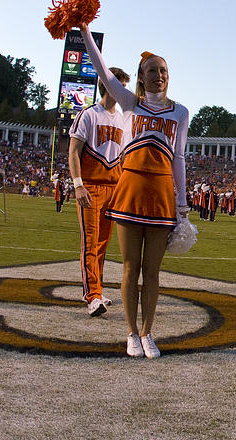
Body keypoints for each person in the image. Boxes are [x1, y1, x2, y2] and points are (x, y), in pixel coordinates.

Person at [80, 24, 190, 359]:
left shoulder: (181, 112)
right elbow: (101, 68)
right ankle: (130, 333)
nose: (160, 75)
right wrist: (84, 28)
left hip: (160, 195)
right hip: (129, 189)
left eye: (164, 71)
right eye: (153, 71)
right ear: (141, 78)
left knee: (153, 271)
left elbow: (180, 158)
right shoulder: (129, 103)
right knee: (130, 268)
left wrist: (182, 205)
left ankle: (148, 332)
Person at [68, 66, 131, 317]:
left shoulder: (124, 119)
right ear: (107, 86)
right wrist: (78, 184)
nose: (124, 91)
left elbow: (122, 156)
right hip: (92, 187)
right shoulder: (89, 115)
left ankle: (98, 289)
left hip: (113, 187)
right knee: (90, 242)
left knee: (103, 244)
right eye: (120, 85)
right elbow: (73, 151)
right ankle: (91, 295)